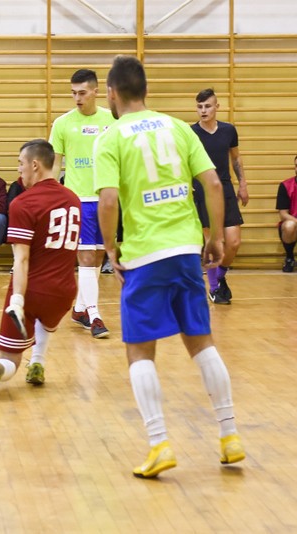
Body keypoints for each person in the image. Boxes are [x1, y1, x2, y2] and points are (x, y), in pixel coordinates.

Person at [94, 55, 245, 479]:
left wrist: (110, 249)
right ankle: (230, 437)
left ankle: (160, 444)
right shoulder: (179, 127)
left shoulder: (111, 137)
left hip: (144, 255)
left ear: (111, 94)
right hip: (184, 250)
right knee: (202, 343)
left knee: (140, 350)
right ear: (145, 90)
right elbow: (214, 183)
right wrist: (214, 236)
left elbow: (107, 201)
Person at [0, 140, 80, 401]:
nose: (19, 171)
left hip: (32, 290)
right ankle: (38, 360)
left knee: (9, 359)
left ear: (35, 165)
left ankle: (2, 367)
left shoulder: (23, 203)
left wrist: (17, 299)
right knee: (46, 321)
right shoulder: (73, 199)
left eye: (20, 163)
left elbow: (22, 260)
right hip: (64, 292)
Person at [49, 69, 115, 339]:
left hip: (108, 199)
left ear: (95, 91)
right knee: (86, 258)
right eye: (73, 93)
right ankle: (95, 315)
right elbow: (55, 164)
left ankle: (79, 309)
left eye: (82, 93)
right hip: (78, 200)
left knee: (98, 257)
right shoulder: (62, 124)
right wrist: (51, 197)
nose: (77, 98)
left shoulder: (112, 120)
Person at [192, 88, 248, 304]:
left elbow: (235, 158)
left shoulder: (228, 130)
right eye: (199, 106)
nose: (203, 110)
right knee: (213, 241)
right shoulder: (191, 133)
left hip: (225, 188)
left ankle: (220, 277)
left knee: (233, 242)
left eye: (207, 106)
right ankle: (214, 288)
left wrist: (243, 183)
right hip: (202, 190)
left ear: (217, 107)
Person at [276, 156, 297, 272]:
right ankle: (289, 258)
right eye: (296, 165)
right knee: (289, 226)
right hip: (293, 223)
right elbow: (283, 214)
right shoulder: (285, 185)